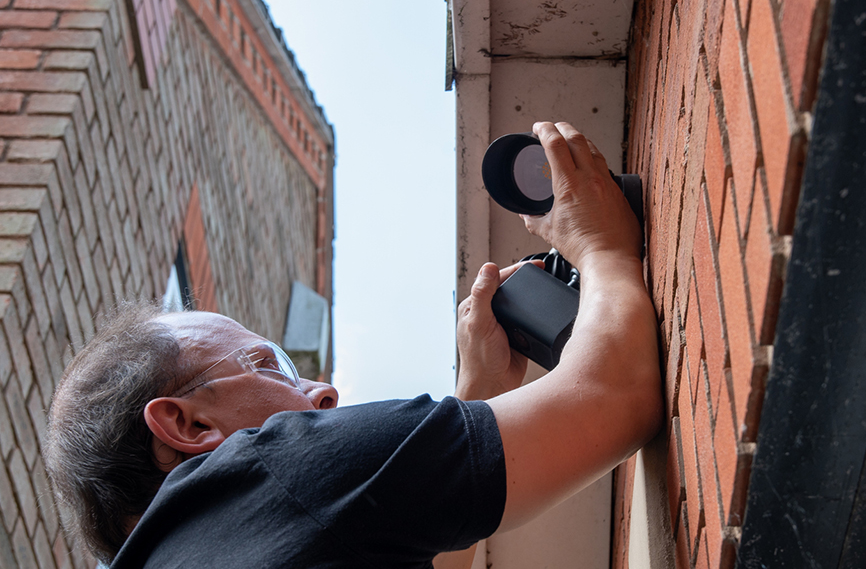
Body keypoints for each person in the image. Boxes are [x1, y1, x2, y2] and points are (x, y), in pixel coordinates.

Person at [43, 122, 662, 568]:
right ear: (188, 423)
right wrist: (600, 244)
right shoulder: (272, 475)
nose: (324, 393)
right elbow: (616, 398)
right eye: (270, 365)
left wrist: (481, 395)